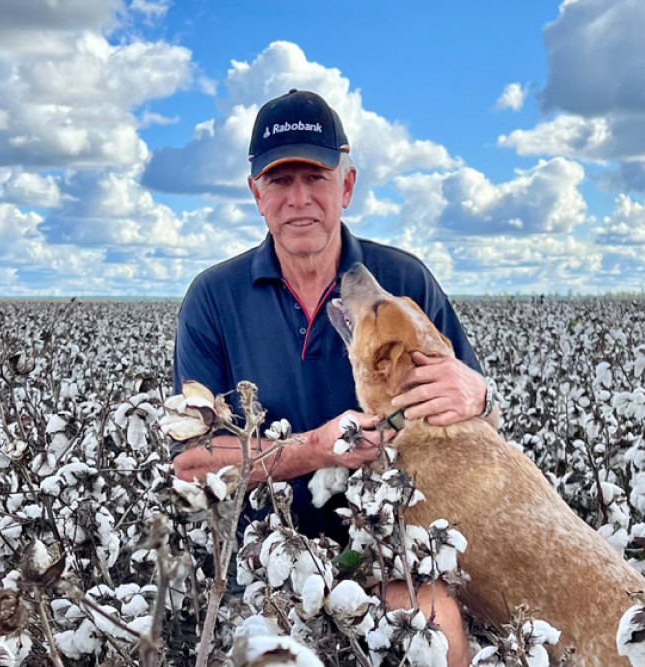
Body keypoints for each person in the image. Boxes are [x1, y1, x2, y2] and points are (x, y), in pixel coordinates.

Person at [172, 89, 499, 667]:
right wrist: (318, 448)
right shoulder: (213, 299)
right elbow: (193, 463)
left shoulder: (401, 282)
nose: (300, 200)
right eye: (280, 180)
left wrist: (480, 394)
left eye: (316, 177)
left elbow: (479, 414)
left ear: (346, 186)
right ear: (256, 194)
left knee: (434, 627)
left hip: (392, 548)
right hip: (264, 563)